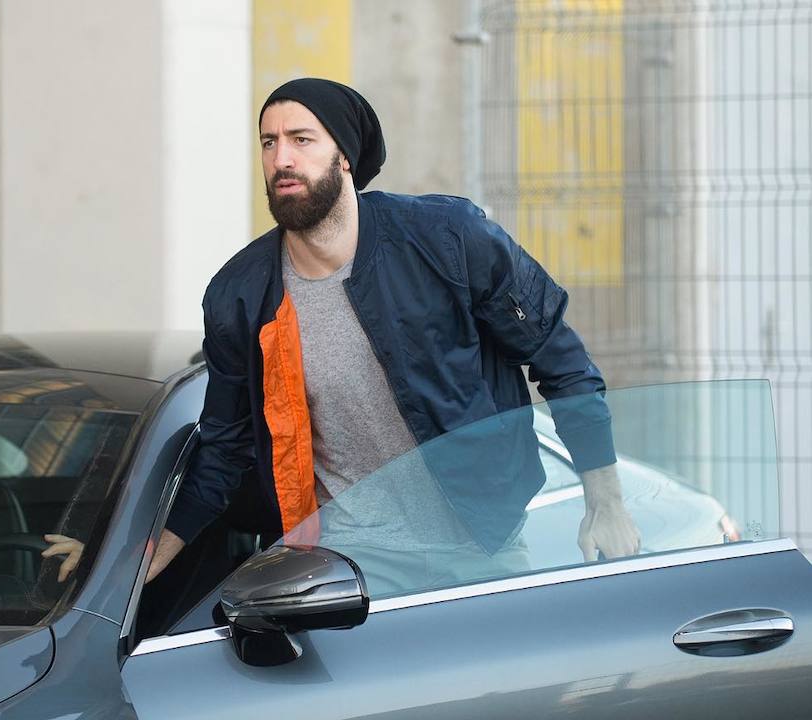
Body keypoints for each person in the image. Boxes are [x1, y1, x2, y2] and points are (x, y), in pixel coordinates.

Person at [47, 78, 640, 584]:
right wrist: (125, 563)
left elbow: (560, 360)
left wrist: (605, 503)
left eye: (302, 140)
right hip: (350, 560)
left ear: (344, 157)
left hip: (483, 540)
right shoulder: (240, 296)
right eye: (270, 143)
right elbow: (223, 450)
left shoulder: (447, 239)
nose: (282, 158)